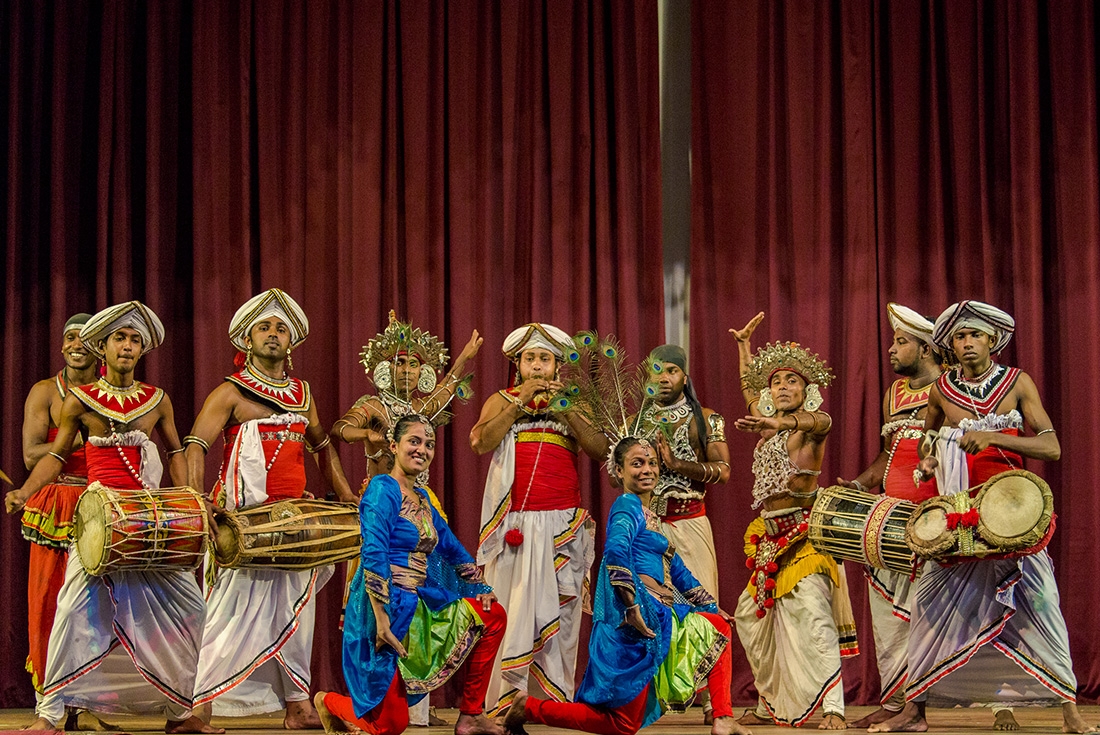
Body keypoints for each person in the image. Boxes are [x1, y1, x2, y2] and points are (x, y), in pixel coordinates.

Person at [870, 300, 1093, 734]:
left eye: (975, 335)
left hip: (1013, 516)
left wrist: (993, 436)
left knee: (1043, 607)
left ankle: (1070, 713)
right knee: (928, 609)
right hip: (959, 516)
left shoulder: (1017, 383)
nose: (967, 342)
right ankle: (915, 714)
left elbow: (1052, 447)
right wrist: (930, 460)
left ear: (993, 340)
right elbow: (928, 440)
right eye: (959, 336)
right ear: (949, 344)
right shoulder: (941, 390)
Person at [5, 301, 216, 733]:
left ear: (142, 350)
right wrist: (25, 492)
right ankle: (49, 716)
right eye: (119, 337)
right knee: (70, 612)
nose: (127, 345)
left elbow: (176, 452)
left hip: (148, 521)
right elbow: (57, 456)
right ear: (103, 347)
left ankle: (179, 714)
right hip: (99, 523)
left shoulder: (157, 400)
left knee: (192, 608)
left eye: (135, 339)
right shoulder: (80, 403)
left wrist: (192, 500)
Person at [186, 288, 356, 728]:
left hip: (296, 519)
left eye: (282, 328)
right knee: (228, 614)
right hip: (244, 522)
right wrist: (196, 498)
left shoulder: (302, 391)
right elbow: (195, 445)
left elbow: (321, 446)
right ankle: (198, 707)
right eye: (265, 327)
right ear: (247, 339)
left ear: (292, 342)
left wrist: (345, 495)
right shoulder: (230, 392)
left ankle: (298, 706)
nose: (274, 334)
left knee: (297, 615)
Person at [503, 438, 747, 735]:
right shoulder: (626, 506)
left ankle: (722, 718)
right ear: (619, 471)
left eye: (652, 463)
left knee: (718, 625)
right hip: (636, 622)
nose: (647, 469)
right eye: (637, 463)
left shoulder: (652, 517)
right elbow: (616, 553)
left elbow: (679, 571)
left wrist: (710, 606)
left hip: (657, 615)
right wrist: (632, 607)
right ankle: (528, 707)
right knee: (622, 724)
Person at [330, 311, 482, 728]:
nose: (408, 370)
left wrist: (465, 359)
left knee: (429, 586)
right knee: (370, 585)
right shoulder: (373, 405)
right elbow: (342, 429)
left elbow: (449, 389)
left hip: (420, 504)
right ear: (385, 368)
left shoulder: (420, 410)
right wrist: (369, 436)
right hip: (381, 504)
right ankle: (364, 689)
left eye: (416, 363)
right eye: (400, 361)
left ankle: (414, 688)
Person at [314, 414, 507, 735]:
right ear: (394, 446)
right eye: (414, 441)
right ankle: (329, 701)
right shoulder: (382, 489)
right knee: (391, 726)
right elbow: (373, 551)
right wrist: (381, 618)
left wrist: (480, 586)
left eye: (429, 444)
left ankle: (471, 715)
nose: (422, 449)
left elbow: (451, 548)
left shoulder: (423, 501)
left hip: (420, 606)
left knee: (492, 614)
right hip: (384, 608)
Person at [471, 323, 607, 715]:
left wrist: (566, 409)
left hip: (562, 525)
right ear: (518, 364)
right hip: (514, 524)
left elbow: (599, 449)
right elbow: (480, 442)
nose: (536, 366)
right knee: (511, 612)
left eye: (544, 359)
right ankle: (506, 699)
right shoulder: (501, 400)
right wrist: (519, 403)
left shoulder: (574, 402)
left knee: (561, 615)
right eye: (529, 358)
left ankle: (553, 701)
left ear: (557, 366)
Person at [730, 313, 857, 730]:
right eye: (777, 382)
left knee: (814, 620)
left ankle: (833, 708)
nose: (782, 388)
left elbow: (820, 421)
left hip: (806, 536)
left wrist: (779, 421)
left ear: (808, 390)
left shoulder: (810, 429)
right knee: (751, 617)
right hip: (769, 539)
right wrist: (744, 347)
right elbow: (750, 388)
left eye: (792, 382)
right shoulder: (765, 427)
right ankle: (773, 701)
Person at [835, 303, 942, 728]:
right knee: (887, 613)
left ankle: (924, 707)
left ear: (928, 348)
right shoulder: (894, 394)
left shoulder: (950, 389)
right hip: (891, 518)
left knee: (928, 614)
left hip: (935, 518)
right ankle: (899, 704)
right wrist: (858, 486)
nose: (892, 350)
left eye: (902, 342)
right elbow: (887, 456)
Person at [7, 313, 96, 707]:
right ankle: (52, 694)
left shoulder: (112, 392)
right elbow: (30, 455)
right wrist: (77, 436)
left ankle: (95, 695)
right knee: (49, 597)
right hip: (55, 501)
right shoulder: (44, 391)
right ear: (61, 345)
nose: (77, 345)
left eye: (85, 339)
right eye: (70, 338)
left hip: (100, 503)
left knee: (98, 602)